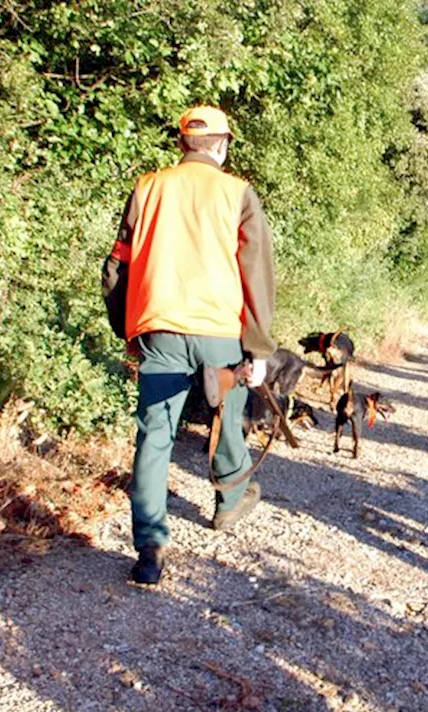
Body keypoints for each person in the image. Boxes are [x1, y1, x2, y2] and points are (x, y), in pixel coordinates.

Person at [102, 106, 276, 586]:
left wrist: (129, 332)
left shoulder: (147, 188)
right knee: (225, 416)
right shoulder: (237, 192)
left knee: (155, 437)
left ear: (181, 145)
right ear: (222, 144)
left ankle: (150, 548)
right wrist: (258, 348)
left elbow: (118, 265)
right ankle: (229, 503)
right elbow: (256, 274)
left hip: (159, 330)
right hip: (221, 335)